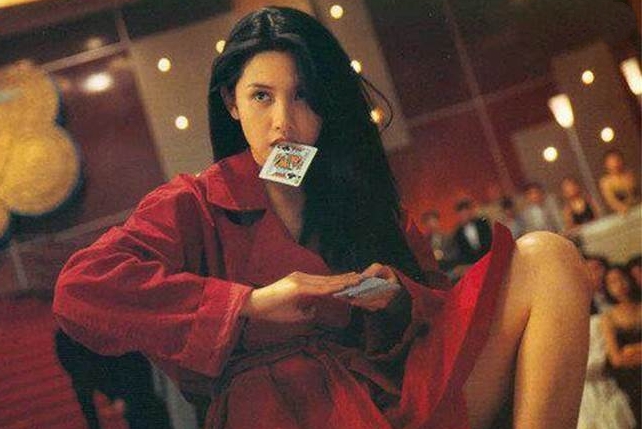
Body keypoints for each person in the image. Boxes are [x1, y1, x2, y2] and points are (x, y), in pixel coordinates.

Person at [53, 7, 591, 429]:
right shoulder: (193, 204)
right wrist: (249, 305)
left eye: (304, 98)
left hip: (395, 397)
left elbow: (441, 311)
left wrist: (397, 296)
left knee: (549, 256)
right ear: (231, 103)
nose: (283, 122)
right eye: (261, 97)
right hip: (278, 414)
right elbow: (80, 291)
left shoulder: (358, 200)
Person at [602, 266, 642, 428]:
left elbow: (625, 353)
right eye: (612, 282)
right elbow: (616, 359)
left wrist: (632, 350)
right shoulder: (609, 317)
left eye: (622, 278)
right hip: (630, 379)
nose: (619, 284)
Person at [452, 199, 493, 266]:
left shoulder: (483, 223)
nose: (464, 217)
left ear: (470, 212)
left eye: (466, 214)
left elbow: (490, 241)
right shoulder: (457, 233)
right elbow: (462, 253)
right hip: (472, 264)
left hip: (489, 258)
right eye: (461, 215)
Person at [599, 149, 640, 214]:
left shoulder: (629, 175)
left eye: (617, 160)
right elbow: (611, 201)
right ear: (606, 164)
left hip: (638, 208)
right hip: (622, 214)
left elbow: (637, 193)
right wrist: (621, 207)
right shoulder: (606, 182)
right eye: (611, 162)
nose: (615, 164)